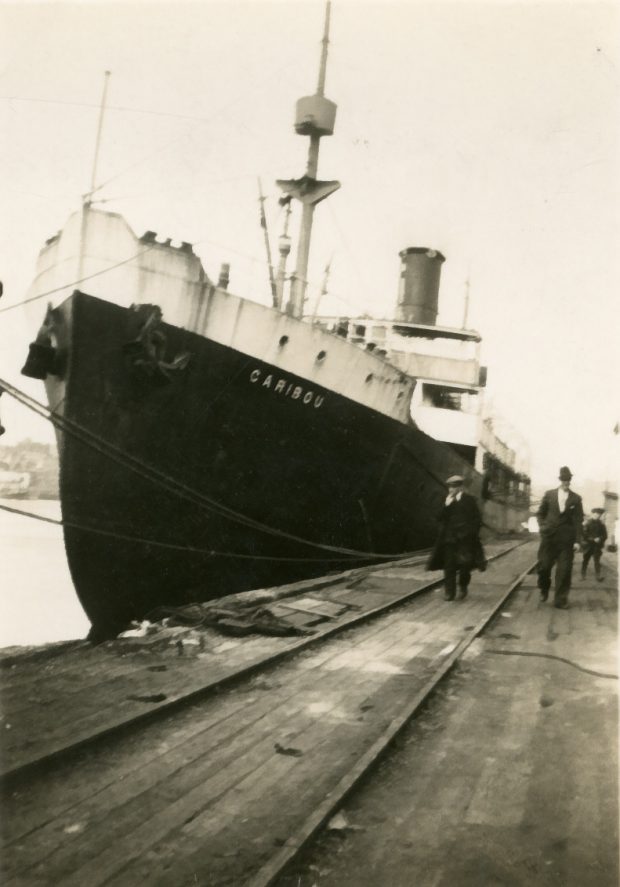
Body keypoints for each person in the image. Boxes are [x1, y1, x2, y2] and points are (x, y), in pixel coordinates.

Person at [427, 474, 486, 601]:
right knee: (449, 566)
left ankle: (463, 586)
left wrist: (470, 534)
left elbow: (477, 520)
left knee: (465, 566)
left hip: (465, 540)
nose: (450, 490)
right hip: (450, 539)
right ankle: (450, 593)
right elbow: (439, 517)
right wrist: (446, 505)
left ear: (460, 488)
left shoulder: (469, 500)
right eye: (449, 487)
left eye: (453, 488)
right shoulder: (447, 500)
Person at [536, 466, 584, 608]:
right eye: (563, 479)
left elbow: (578, 521)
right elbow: (540, 513)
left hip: (566, 541)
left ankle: (560, 600)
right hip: (549, 539)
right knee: (544, 567)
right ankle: (544, 588)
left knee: (564, 570)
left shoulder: (576, 499)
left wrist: (577, 541)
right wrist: (543, 526)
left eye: (568, 479)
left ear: (570, 480)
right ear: (560, 480)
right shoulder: (549, 495)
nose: (566, 482)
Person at [581, 508, 608, 581]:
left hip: (597, 546)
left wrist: (600, 538)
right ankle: (583, 576)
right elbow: (584, 534)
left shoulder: (602, 525)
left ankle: (598, 577)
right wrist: (593, 539)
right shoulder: (587, 523)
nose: (598, 516)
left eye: (599, 515)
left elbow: (605, 535)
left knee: (597, 562)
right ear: (593, 514)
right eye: (596, 514)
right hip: (588, 546)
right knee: (585, 561)